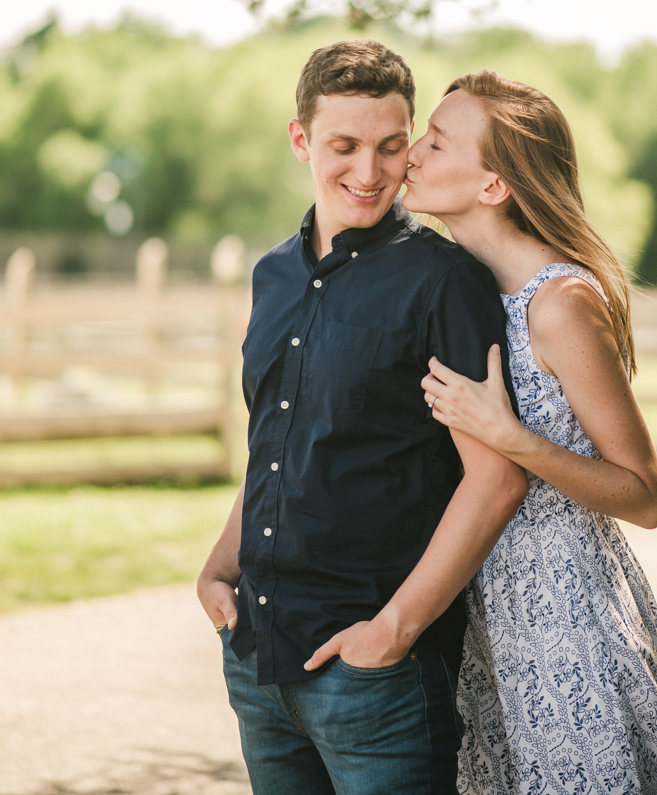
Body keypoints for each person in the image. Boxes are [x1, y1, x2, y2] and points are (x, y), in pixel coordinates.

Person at [198, 40, 529, 795]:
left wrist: (397, 631)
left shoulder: (445, 283)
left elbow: (497, 479)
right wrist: (221, 566)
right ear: (300, 140)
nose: (369, 172)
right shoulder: (273, 274)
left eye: (390, 146)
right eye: (343, 146)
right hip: (257, 662)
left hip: (377, 681)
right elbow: (279, 445)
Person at [403, 69, 657, 795]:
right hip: (483, 626)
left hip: (568, 624)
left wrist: (514, 438)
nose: (411, 152)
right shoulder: (457, 291)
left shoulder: (560, 305)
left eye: (437, 142)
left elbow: (645, 495)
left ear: (494, 185)